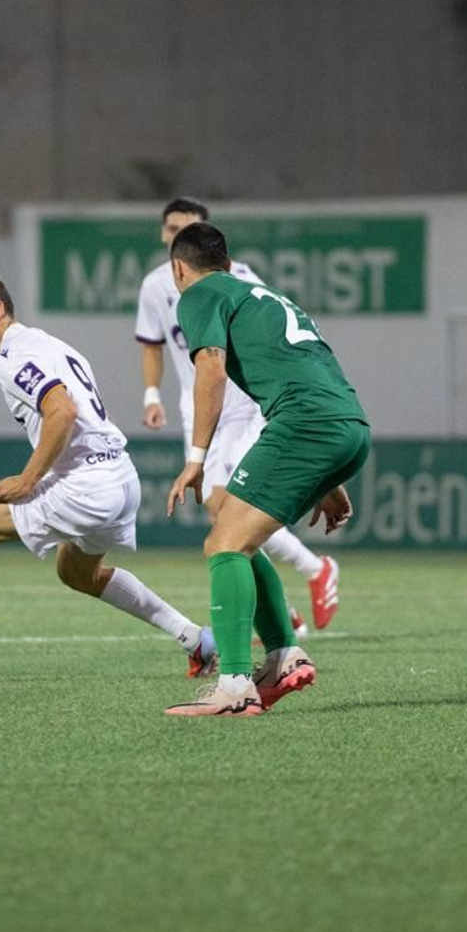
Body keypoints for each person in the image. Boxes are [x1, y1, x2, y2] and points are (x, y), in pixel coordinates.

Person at [0, 267, 218, 685]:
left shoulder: (14, 358)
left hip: (86, 487)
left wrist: (29, 480)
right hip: (121, 478)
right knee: (76, 572)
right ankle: (194, 637)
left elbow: (61, 411)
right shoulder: (47, 343)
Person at [162, 222, 370, 717]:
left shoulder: (197, 292)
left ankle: (234, 686)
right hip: (349, 423)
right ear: (229, 264)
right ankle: (280, 655)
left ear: (178, 268)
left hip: (305, 423)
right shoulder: (262, 293)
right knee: (235, 531)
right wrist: (331, 474)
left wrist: (195, 460)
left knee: (224, 544)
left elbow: (210, 368)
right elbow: (310, 366)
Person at [135, 197, 339, 631]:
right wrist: (152, 394)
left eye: (187, 228)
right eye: (172, 228)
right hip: (200, 408)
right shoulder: (156, 285)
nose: (177, 235)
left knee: (232, 515)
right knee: (219, 512)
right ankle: (298, 590)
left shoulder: (237, 278)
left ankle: (302, 585)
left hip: (243, 405)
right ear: (163, 233)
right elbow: (151, 343)